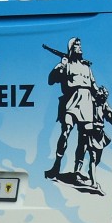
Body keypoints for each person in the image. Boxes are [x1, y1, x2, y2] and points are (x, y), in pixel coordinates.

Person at [43, 38, 96, 181]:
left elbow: (93, 86)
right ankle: (56, 165)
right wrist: (61, 65)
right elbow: (51, 80)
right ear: (72, 48)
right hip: (71, 100)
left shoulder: (87, 67)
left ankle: (77, 170)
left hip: (86, 102)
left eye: (80, 45)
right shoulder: (66, 65)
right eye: (77, 46)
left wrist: (100, 95)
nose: (80, 48)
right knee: (66, 131)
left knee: (84, 138)